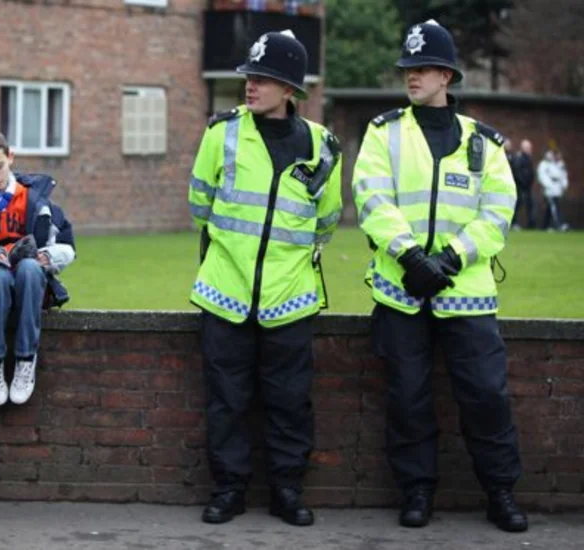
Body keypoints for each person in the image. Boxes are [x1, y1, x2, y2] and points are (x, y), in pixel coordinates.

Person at [351, 20, 528, 533]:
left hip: (467, 293)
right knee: (407, 397)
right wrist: (410, 257)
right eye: (408, 67)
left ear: (447, 75)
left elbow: (498, 212)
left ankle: (501, 493)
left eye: (423, 67)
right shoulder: (383, 133)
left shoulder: (484, 142)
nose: (412, 75)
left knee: (487, 397)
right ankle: (416, 492)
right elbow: (371, 197)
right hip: (400, 291)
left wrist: (449, 260)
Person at [188, 29, 343, 527]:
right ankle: (228, 490)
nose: (251, 86)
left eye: (264, 78)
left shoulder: (324, 147)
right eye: (250, 77)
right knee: (225, 402)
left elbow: (327, 220)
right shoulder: (222, 133)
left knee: (290, 403)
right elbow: (200, 206)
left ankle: (286, 492)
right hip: (225, 291)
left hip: (291, 297)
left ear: (291, 90)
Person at [0, 129, 75, 406]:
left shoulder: (35, 199)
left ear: (10, 158)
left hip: (30, 284)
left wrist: (49, 256)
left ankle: (25, 360)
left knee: (31, 268)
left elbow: (68, 245)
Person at [537, 149, 569, 231]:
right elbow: (542, 177)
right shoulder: (543, 164)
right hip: (549, 190)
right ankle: (559, 224)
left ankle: (545, 225)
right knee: (554, 207)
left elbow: (561, 176)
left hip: (556, 189)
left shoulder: (556, 164)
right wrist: (548, 185)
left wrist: (563, 186)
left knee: (551, 208)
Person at [511, 139, 536, 229]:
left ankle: (531, 225)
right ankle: (513, 223)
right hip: (520, 187)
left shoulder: (529, 158)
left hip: (527, 187)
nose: (530, 149)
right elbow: (517, 172)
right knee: (517, 205)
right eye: (528, 147)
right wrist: (523, 183)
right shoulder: (519, 158)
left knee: (530, 205)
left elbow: (531, 173)